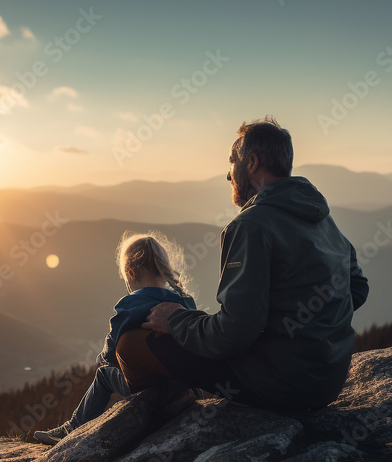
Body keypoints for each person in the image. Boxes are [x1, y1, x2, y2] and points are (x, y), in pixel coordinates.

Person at [117, 115, 369, 414]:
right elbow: (357, 288)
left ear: (251, 163)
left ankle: (156, 426)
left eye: (232, 161)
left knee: (129, 345)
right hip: (327, 379)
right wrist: (303, 325)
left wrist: (177, 320)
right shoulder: (320, 216)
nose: (228, 174)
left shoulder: (251, 225)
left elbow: (233, 333)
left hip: (281, 382)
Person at [33, 231, 200, 445]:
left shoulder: (130, 305)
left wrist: (105, 360)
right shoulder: (184, 300)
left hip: (152, 390)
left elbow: (112, 352)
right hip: (182, 386)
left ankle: (70, 430)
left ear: (130, 272)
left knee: (104, 375)